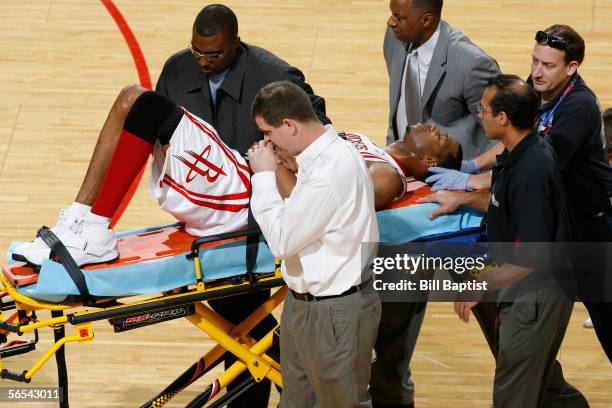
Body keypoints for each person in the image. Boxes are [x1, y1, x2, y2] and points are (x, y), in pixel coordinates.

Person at [155, 5, 330, 406]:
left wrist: (279, 165)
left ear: (236, 42)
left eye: (213, 54)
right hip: (207, 220)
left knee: (242, 317)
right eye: (196, 51)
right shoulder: (178, 70)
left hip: (262, 220)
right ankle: (286, 387)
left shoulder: (276, 77)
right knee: (240, 318)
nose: (202, 62)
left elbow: (318, 136)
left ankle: (290, 388)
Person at [425, 25, 612, 366]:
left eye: (548, 65)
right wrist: (470, 166)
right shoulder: (538, 86)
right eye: (535, 61)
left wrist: (469, 185)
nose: (537, 72)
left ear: (572, 68)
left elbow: (531, 168)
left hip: (596, 230)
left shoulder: (579, 107)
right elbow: (512, 142)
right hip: (563, 221)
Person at [377, 0, 499, 406]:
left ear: (427, 20)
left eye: (400, 16)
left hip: (459, 210)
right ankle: (391, 398)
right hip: (410, 201)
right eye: (392, 13)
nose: (391, 21)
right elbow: (400, 114)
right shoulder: (396, 38)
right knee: (395, 312)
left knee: (493, 312)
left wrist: (464, 173)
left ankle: (546, 390)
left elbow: (501, 134)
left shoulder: (472, 63)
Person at [247, 80, 381, 408]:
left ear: (289, 125)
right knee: (295, 403)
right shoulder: (321, 158)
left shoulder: (328, 173)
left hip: (335, 313)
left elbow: (282, 240)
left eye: (267, 132)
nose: (266, 142)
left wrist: (264, 176)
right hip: (303, 305)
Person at [454, 74, 577, 407]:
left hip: (535, 296)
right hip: (538, 290)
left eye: (484, 110)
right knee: (546, 387)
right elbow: (505, 206)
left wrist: (480, 285)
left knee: (514, 395)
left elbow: (527, 258)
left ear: (503, 119)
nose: (480, 115)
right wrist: (462, 199)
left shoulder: (531, 172)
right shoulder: (522, 150)